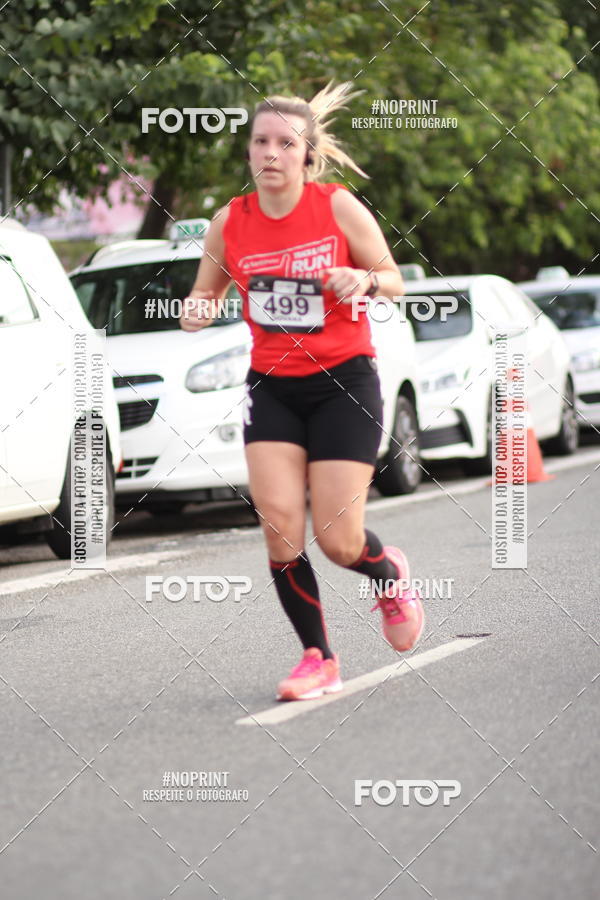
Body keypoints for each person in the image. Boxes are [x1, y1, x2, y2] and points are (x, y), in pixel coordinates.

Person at [180, 81, 424, 701]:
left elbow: (394, 280)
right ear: (248, 153)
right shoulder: (228, 223)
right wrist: (195, 309)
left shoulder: (338, 208)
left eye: (285, 143)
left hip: (344, 381)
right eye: (259, 142)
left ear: (306, 156)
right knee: (281, 527)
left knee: (339, 540)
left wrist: (359, 279)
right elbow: (205, 295)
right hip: (273, 387)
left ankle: (386, 571)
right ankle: (318, 655)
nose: (270, 153)